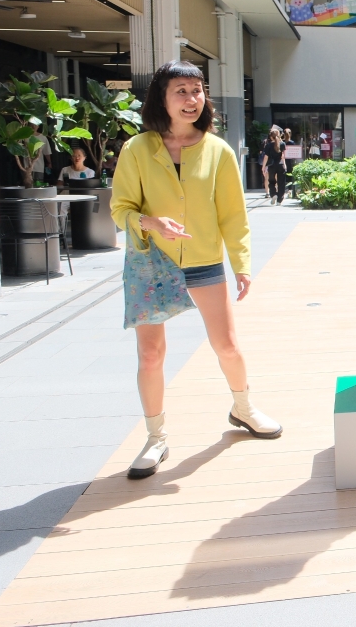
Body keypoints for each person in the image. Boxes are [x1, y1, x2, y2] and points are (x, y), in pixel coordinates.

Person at [111, 60, 282, 480]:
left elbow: (233, 215)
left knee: (227, 346)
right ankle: (156, 437)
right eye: (181, 91)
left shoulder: (218, 151)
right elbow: (120, 209)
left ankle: (243, 409)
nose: (192, 99)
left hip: (204, 260)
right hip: (152, 263)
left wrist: (241, 264)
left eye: (197, 90)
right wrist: (150, 222)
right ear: (162, 98)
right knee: (151, 354)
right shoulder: (136, 149)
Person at [263, 127, 286, 205]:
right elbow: (283, 156)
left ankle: (273, 194)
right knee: (281, 183)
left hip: (272, 165)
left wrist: (263, 167)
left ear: (271, 136)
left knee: (271, 181)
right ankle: (279, 200)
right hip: (280, 164)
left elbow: (266, 157)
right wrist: (284, 164)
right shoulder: (282, 144)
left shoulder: (268, 145)